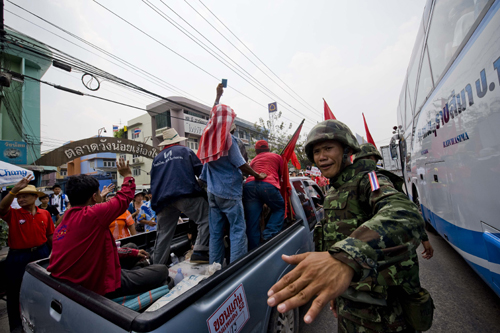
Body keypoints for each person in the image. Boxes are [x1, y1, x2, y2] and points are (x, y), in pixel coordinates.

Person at [267, 120, 431, 332]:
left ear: (346, 151)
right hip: (349, 303)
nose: (321, 157)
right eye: (316, 151)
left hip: (382, 312)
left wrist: (347, 256)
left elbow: (405, 214)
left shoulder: (369, 180)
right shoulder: (334, 190)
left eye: (328, 148)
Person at [47, 159, 167, 298]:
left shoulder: (65, 219)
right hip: (97, 283)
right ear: (94, 197)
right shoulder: (93, 214)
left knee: (132, 246)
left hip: (76, 278)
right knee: (162, 270)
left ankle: (133, 267)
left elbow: (104, 250)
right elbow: (123, 199)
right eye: (99, 193)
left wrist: (132, 252)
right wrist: (127, 175)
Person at [199, 85, 266, 265]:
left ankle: (215, 268)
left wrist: (217, 96)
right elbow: (241, 164)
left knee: (216, 233)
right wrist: (257, 175)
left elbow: (213, 115)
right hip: (228, 192)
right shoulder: (228, 138)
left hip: (212, 192)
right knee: (237, 231)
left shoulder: (208, 134)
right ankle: (235, 269)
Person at [355, 143, 434, 260]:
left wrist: (424, 238)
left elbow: (403, 209)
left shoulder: (374, 179)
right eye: (363, 159)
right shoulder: (348, 182)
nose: (365, 163)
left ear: (375, 160)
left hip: (385, 249)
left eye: (369, 159)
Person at [0, 176, 54, 332]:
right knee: (14, 291)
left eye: (24, 196)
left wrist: (55, 252)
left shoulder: (44, 214)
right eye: (19, 196)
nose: (21, 199)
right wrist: (14, 190)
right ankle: (16, 326)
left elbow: (50, 235)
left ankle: (42, 321)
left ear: (35, 197)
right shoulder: (14, 214)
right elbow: (1, 209)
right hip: (18, 256)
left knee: (43, 289)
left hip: (41, 252)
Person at [150, 128, 210, 264]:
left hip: (162, 201)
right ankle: (199, 251)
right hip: (183, 193)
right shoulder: (185, 151)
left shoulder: (157, 158)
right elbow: (202, 172)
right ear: (177, 141)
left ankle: (155, 268)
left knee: (163, 235)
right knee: (206, 218)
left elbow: (154, 182)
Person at [243, 140, 285, 250]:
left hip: (250, 186)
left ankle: (253, 251)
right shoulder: (277, 157)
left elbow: (250, 171)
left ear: (256, 150)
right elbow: (281, 175)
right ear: (268, 148)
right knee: (279, 208)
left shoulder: (254, 160)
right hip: (269, 185)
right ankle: (269, 234)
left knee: (252, 221)